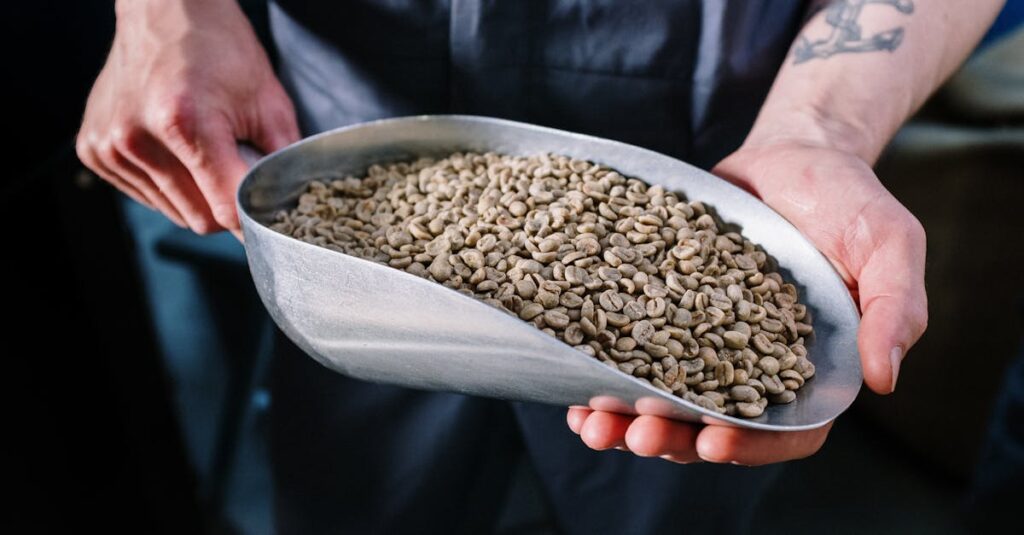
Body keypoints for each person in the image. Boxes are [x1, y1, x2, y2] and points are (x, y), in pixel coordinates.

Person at [76, 0, 1003, 532]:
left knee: (671, 501)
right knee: (347, 493)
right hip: (350, 154)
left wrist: (821, 128)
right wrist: (168, 13)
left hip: (727, 150)